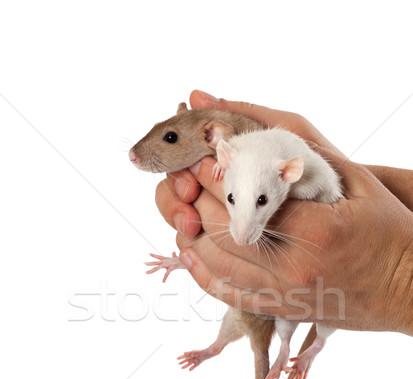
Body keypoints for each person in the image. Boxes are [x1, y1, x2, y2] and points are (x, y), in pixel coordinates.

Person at [155, 90, 413, 336]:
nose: (240, 237)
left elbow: (315, 184)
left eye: (262, 200)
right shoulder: (239, 152)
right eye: (231, 199)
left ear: (289, 173)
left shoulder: (287, 170)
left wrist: (398, 279)